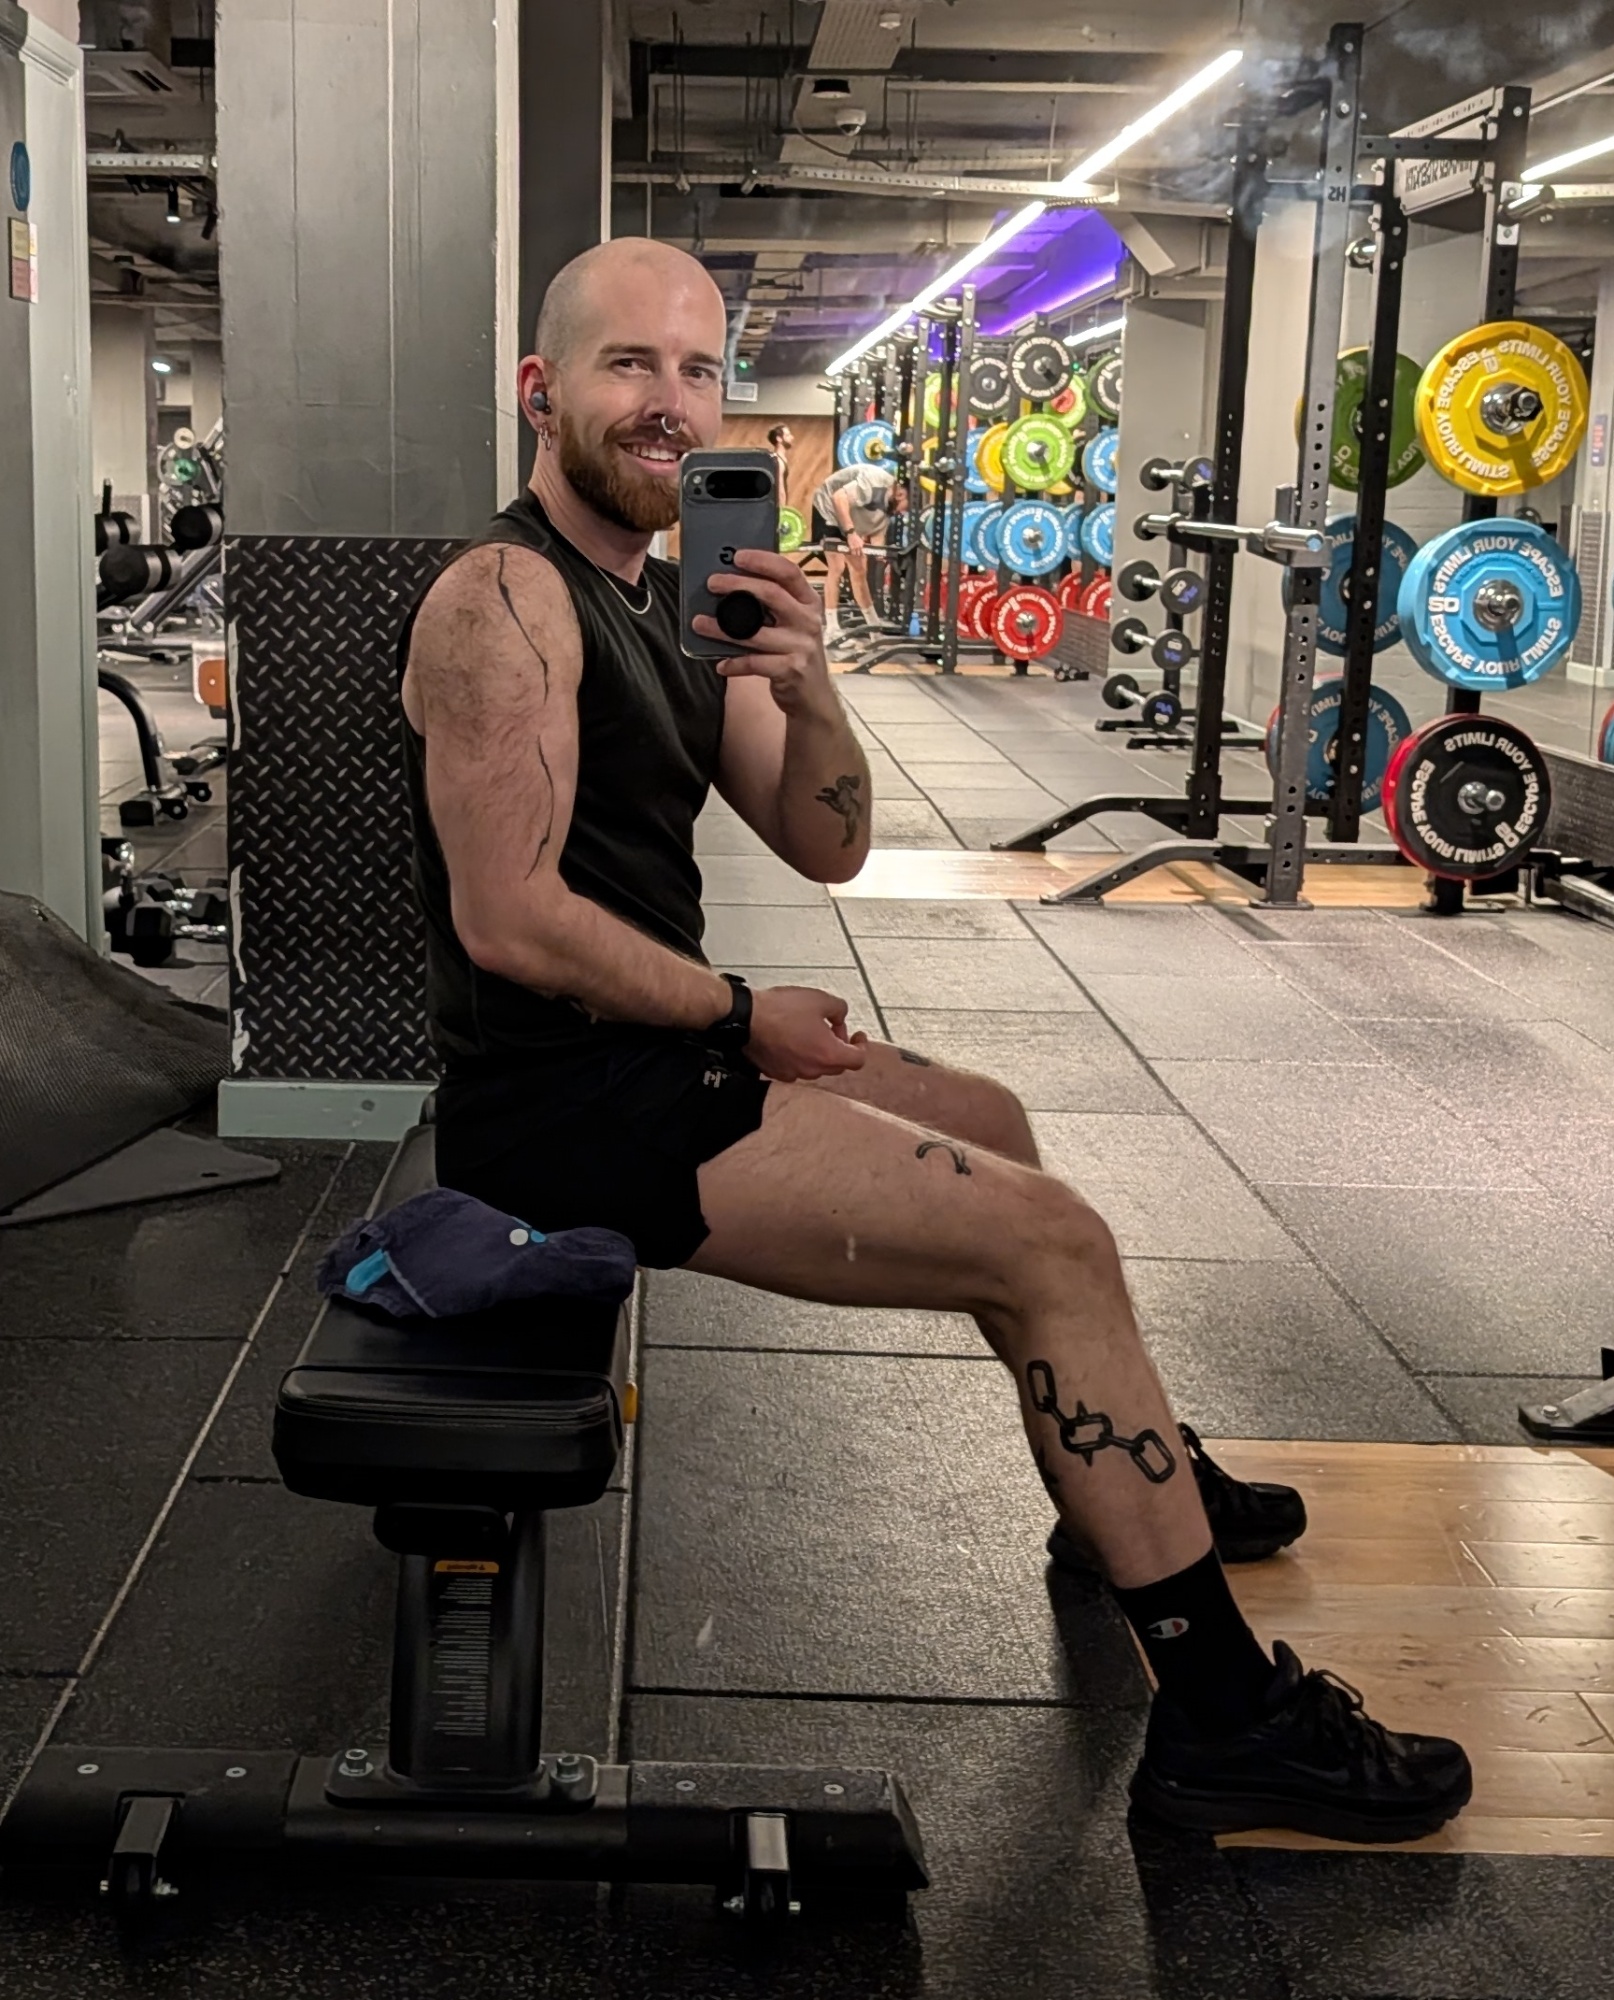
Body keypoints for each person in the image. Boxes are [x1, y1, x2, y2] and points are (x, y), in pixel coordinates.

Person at [398, 236, 1471, 1847]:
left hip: (649, 1060)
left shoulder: (673, 602)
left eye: (696, 371)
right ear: (540, 392)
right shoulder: (501, 601)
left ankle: (1119, 1496)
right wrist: (738, 1015)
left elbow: (825, 843)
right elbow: (509, 921)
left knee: (996, 1122)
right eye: (629, 366)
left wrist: (809, 682)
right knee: (1054, 1240)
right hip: (560, 1111)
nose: (670, 404)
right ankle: (1225, 1719)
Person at [809, 457, 908, 643]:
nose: (904, 513)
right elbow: (838, 497)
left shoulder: (890, 504)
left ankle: (874, 629)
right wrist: (851, 533)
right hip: (828, 508)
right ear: (901, 494)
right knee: (837, 567)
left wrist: (880, 554)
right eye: (906, 508)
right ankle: (831, 629)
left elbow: (877, 532)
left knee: (859, 570)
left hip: (848, 518)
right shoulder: (874, 482)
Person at [766, 422, 794, 508]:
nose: (792, 437)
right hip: (777, 508)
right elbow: (779, 490)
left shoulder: (781, 459)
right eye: (788, 435)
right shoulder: (778, 461)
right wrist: (782, 510)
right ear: (779, 438)